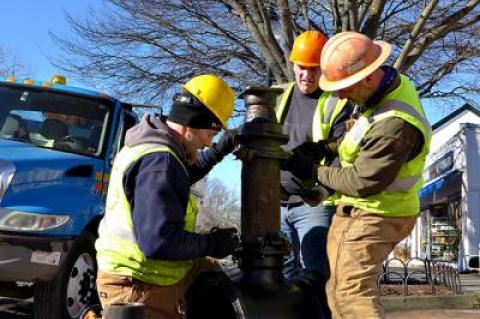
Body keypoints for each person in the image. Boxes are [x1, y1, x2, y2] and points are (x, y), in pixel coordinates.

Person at [283, 31, 431, 318]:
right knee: (341, 288)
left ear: (368, 76)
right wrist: (323, 147)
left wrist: (312, 170)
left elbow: (359, 181)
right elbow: (361, 134)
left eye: (345, 87)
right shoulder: (385, 93)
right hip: (377, 209)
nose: (339, 95)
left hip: (377, 212)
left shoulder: (395, 126)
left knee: (349, 293)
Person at [95, 74, 240, 319]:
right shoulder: (160, 162)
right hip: (140, 286)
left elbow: (180, 178)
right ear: (192, 123)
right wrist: (212, 244)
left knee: (211, 272)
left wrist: (220, 149)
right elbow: (159, 241)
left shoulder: (152, 145)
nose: (208, 142)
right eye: (210, 134)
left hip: (138, 273)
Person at [275, 30, 352, 318]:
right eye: (301, 68)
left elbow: (340, 156)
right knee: (276, 274)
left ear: (324, 68)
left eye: (314, 69)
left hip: (312, 204)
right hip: (275, 201)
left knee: (315, 274)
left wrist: (322, 192)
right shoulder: (278, 96)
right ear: (293, 65)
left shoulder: (337, 102)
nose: (306, 75)